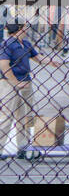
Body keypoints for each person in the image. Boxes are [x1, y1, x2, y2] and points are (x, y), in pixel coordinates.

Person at [1, 21, 43, 151]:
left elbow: (39, 58)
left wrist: (57, 62)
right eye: (25, 27)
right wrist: (16, 82)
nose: (27, 29)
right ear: (20, 28)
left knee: (25, 115)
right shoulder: (7, 45)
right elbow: (3, 66)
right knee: (6, 116)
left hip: (26, 82)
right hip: (9, 83)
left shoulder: (26, 44)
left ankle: (23, 147)